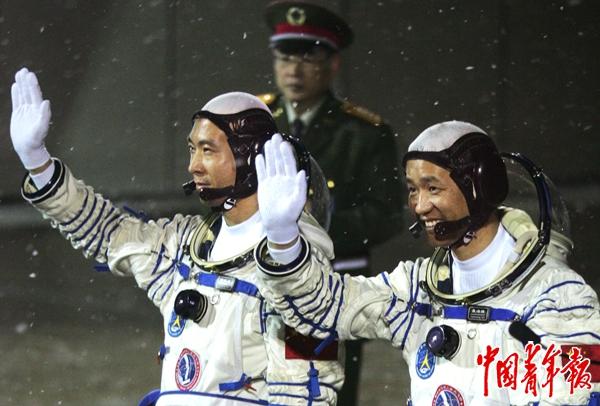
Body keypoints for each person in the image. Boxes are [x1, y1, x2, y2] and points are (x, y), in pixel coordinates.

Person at [9, 67, 345, 405]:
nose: (193, 166)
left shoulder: (298, 270)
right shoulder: (185, 247)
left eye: (208, 150)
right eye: (192, 149)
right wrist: (38, 164)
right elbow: (109, 234)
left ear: (250, 157)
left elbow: (309, 392)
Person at [253, 120, 600, 404]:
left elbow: (578, 397)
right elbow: (326, 309)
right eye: (412, 189)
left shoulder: (559, 297)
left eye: (432, 188)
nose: (419, 206)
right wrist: (284, 240)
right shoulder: (419, 288)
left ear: (480, 186)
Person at [259, 1, 405, 402]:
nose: (294, 70)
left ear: (333, 64)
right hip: (258, 284)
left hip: (330, 289)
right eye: (285, 57)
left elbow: (387, 214)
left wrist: (310, 228)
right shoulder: (255, 122)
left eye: (308, 58)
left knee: (323, 394)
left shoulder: (364, 133)